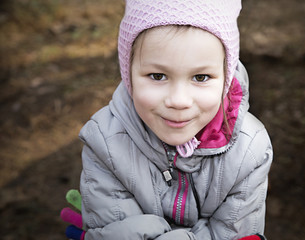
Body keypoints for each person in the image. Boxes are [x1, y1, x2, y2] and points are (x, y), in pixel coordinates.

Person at [62, 0, 273, 239]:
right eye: (158, 75)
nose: (179, 100)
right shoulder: (105, 141)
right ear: (128, 72)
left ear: (225, 77)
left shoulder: (249, 149)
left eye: (201, 77)